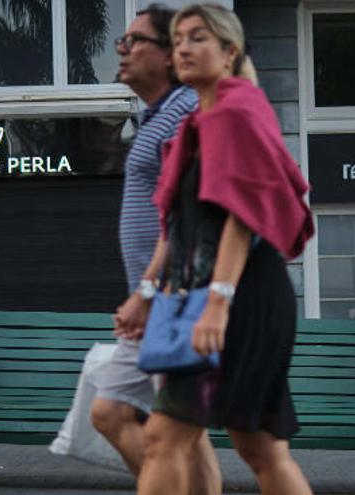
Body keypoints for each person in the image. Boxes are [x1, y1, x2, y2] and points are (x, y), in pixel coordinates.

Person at [125, 5, 315, 494]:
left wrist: (218, 302)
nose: (183, 48)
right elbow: (177, 227)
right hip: (218, 298)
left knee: (165, 435)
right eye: (179, 39)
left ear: (230, 51)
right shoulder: (195, 125)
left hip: (241, 298)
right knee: (258, 447)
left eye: (198, 38)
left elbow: (242, 214)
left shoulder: (235, 111)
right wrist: (147, 292)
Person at [89, 4, 221, 491]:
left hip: (174, 299)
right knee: (172, 427)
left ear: (170, 56)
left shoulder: (184, 114)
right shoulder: (158, 118)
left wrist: (148, 293)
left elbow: (188, 219)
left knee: (130, 416)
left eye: (134, 41)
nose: (121, 50)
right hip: (161, 300)